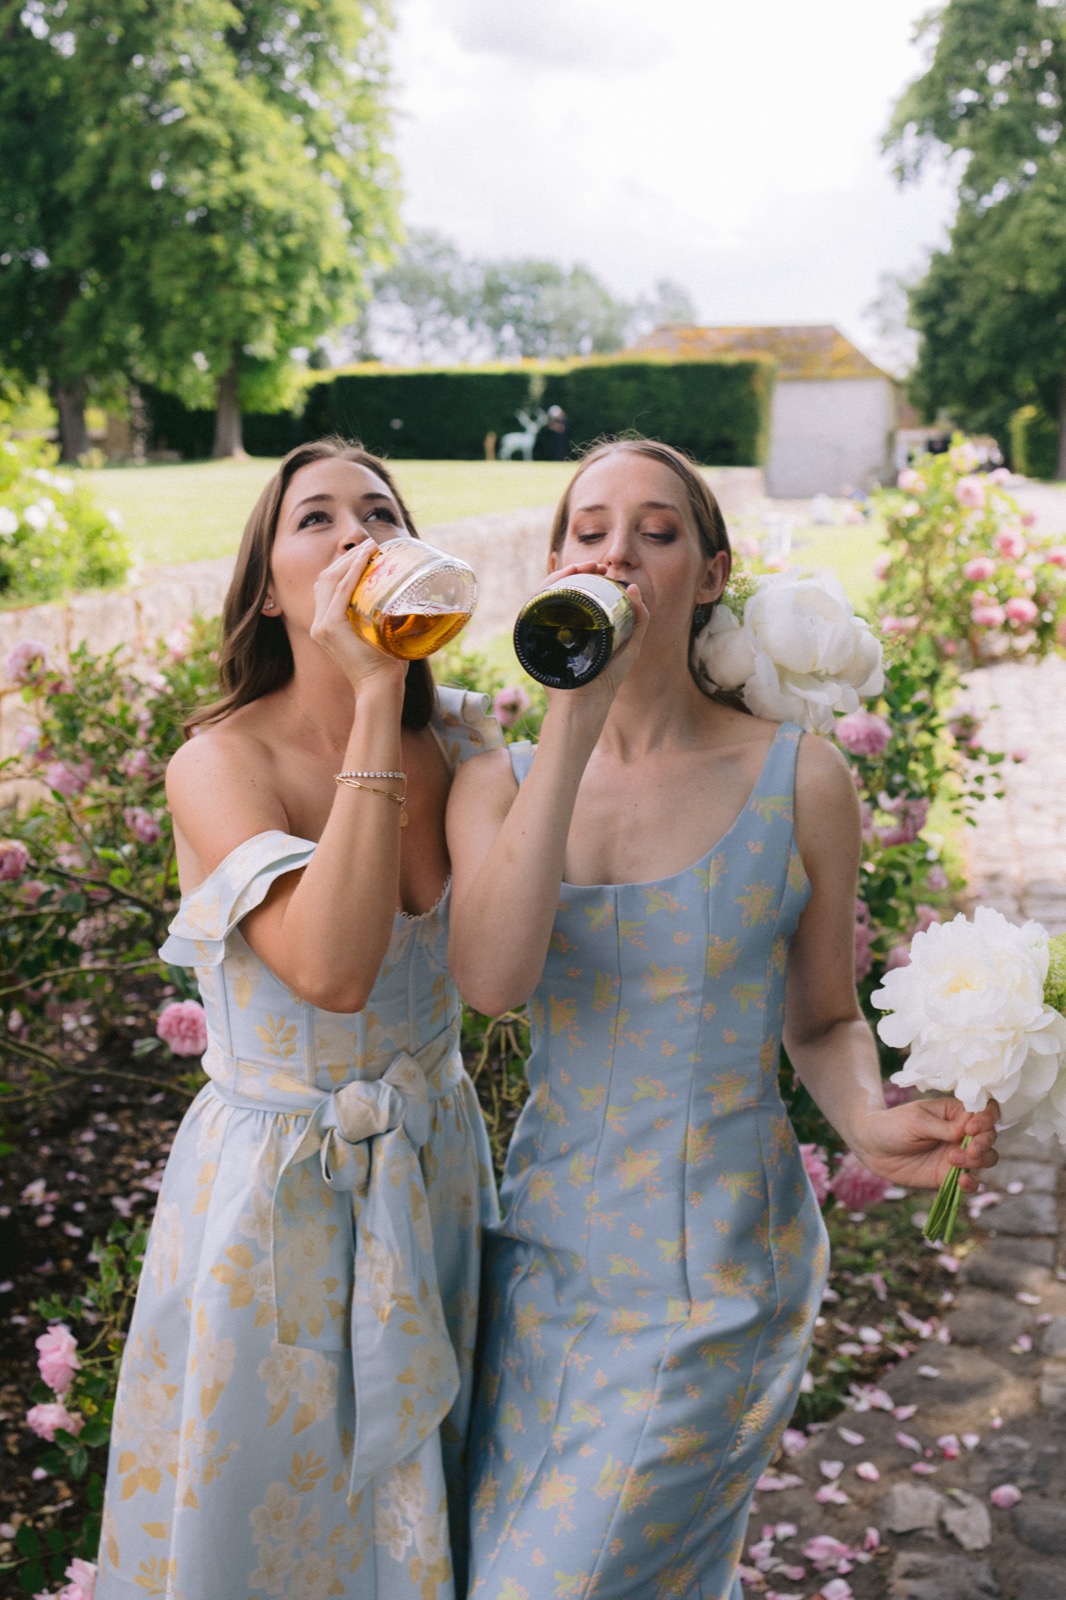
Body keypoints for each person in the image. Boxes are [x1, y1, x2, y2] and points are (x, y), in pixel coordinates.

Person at [445, 438, 1000, 1600]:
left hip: (719, 1272)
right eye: (591, 530)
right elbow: (491, 983)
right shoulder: (499, 777)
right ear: (557, 563)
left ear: (709, 572)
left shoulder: (799, 778)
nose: (620, 553)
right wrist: (570, 723)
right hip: (542, 1263)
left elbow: (822, 1017)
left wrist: (864, 1119)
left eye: (656, 531)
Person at [95, 438, 501, 1600]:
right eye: (315, 519)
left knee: (440, 1497)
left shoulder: (464, 739)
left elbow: (503, 963)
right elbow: (332, 970)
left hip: (434, 1168)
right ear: (273, 586)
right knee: (278, 1512)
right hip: (279, 1191)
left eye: (380, 511)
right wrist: (377, 696)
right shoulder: (218, 764)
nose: (357, 533)